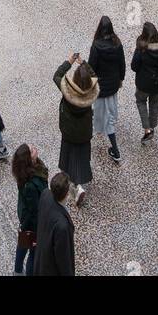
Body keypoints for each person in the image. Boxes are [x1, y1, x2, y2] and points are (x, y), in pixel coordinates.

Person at [52, 56, 98, 206]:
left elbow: (57, 75)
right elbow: (95, 76)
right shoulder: (92, 92)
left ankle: (76, 187)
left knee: (68, 157)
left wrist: (69, 61)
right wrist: (84, 64)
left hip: (68, 131)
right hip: (84, 133)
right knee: (81, 157)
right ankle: (77, 183)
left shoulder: (67, 90)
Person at [88, 16, 125, 164]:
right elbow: (122, 63)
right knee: (110, 110)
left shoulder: (96, 45)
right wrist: (121, 79)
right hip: (113, 84)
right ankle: (101, 127)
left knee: (105, 116)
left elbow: (92, 68)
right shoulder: (117, 43)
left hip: (101, 86)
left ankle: (115, 150)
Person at [131, 22, 158, 142]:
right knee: (154, 104)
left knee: (141, 102)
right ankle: (152, 126)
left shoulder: (141, 47)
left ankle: (147, 129)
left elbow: (134, 66)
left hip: (143, 84)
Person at [11, 144, 48, 276]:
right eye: (32, 150)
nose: (34, 148)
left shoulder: (26, 171)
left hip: (26, 218)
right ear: (29, 160)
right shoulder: (31, 185)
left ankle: (18, 270)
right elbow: (35, 210)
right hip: (33, 223)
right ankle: (22, 272)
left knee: (23, 242)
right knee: (33, 251)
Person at [34, 173, 75, 277]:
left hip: (41, 260)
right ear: (66, 194)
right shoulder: (62, 226)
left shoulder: (45, 194)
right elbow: (63, 258)